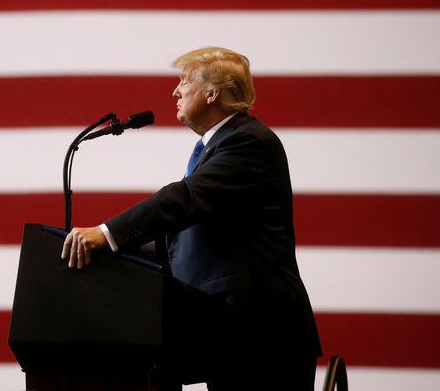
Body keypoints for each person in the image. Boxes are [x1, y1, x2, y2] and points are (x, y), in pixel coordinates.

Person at [60, 46, 322, 390]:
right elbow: (183, 236)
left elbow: (184, 199)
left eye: (185, 80)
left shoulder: (248, 142)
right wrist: (116, 254)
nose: (175, 90)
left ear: (213, 93)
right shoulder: (218, 147)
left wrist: (108, 234)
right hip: (232, 337)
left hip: (263, 337)